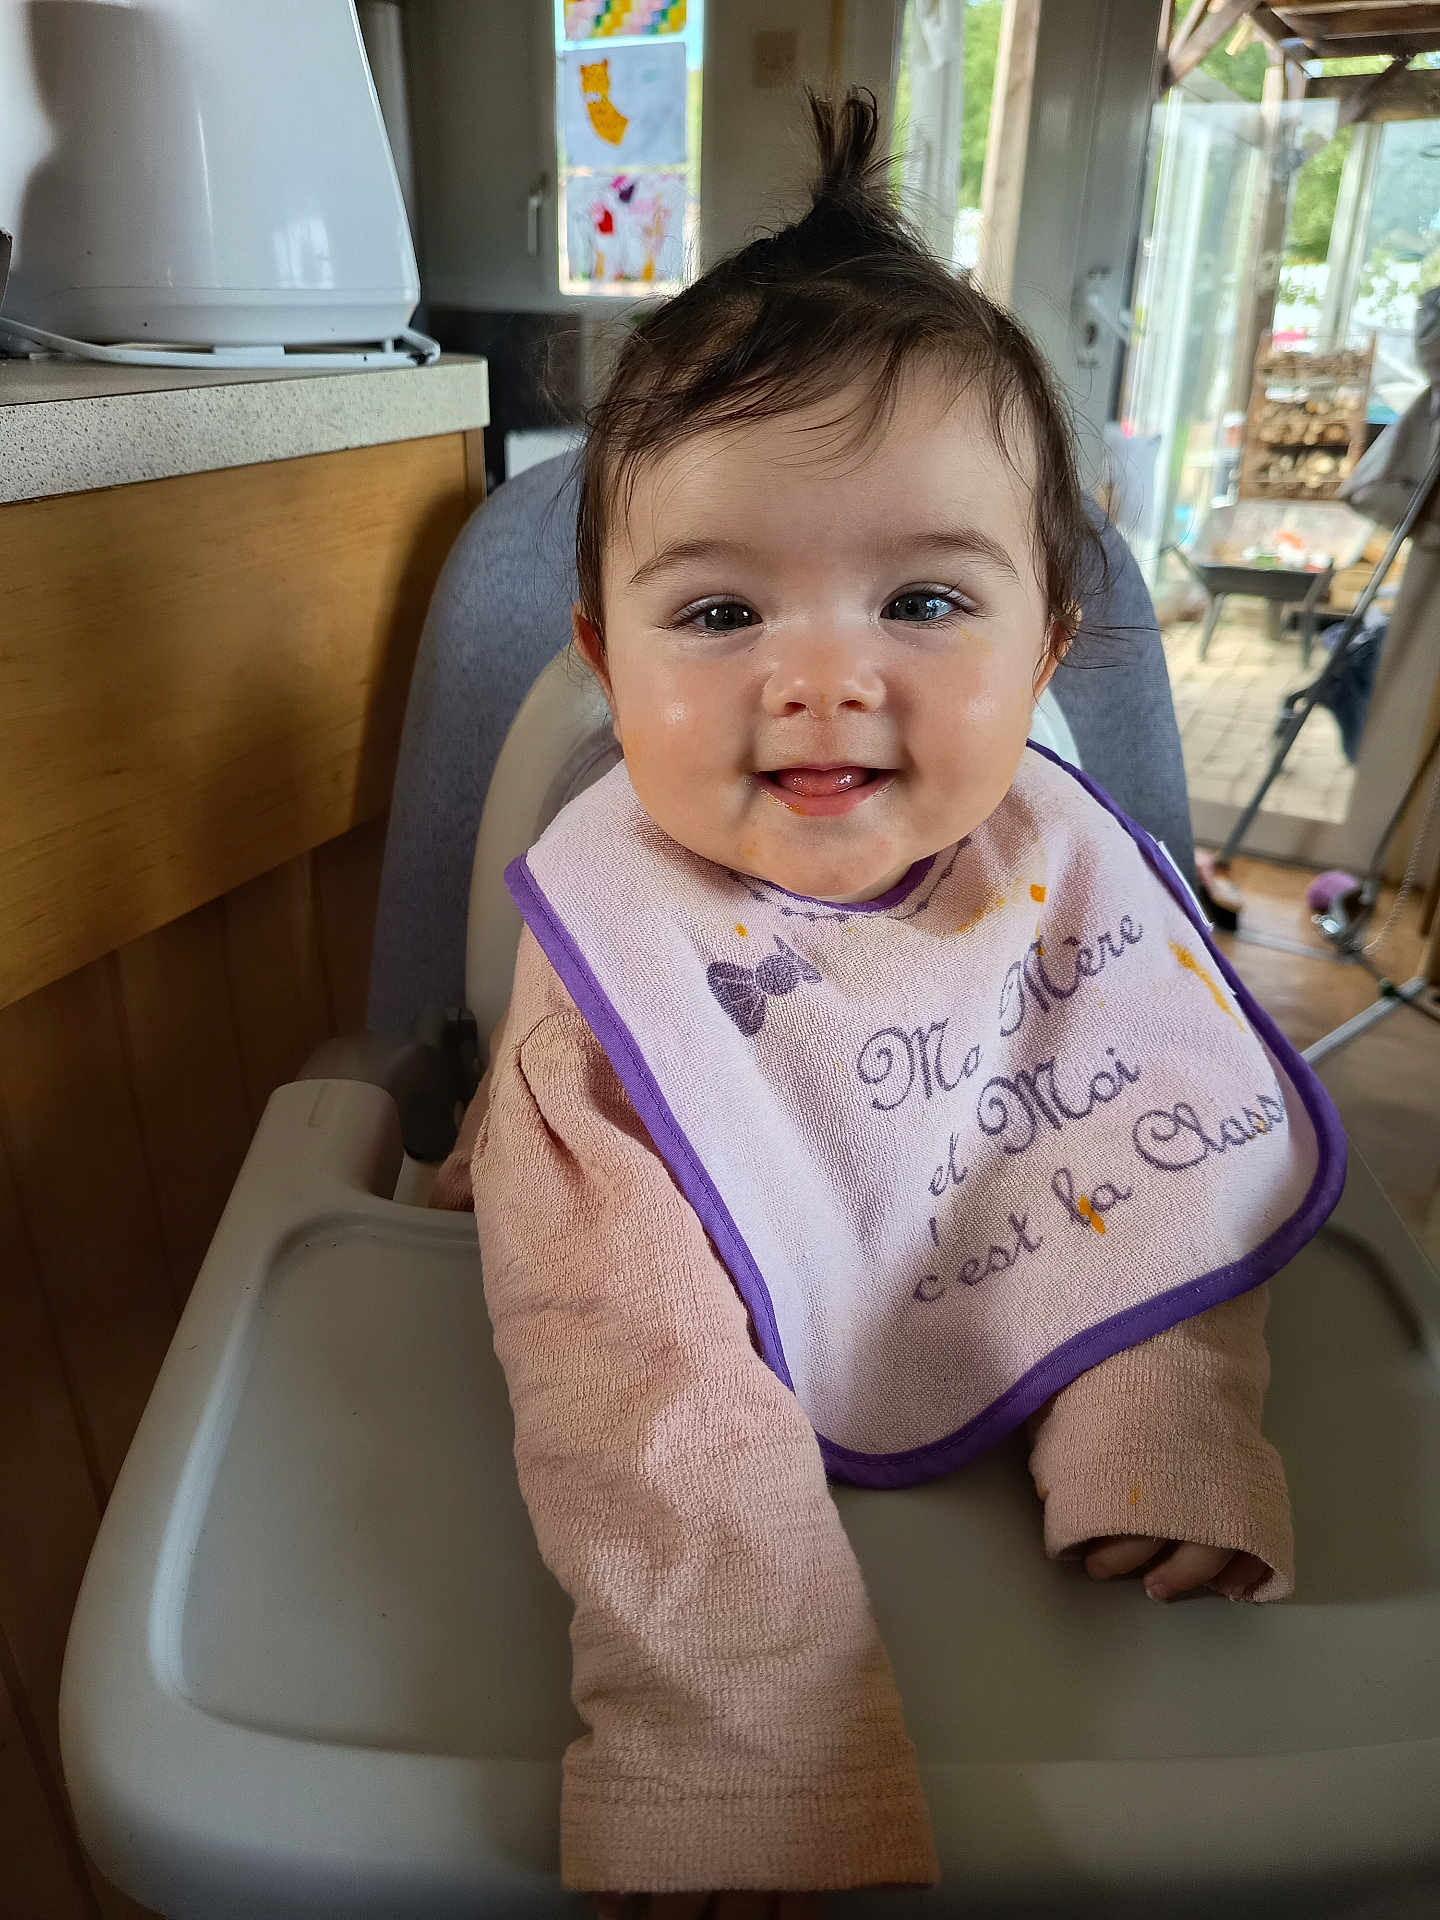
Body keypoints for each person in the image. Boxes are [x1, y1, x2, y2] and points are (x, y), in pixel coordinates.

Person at [432, 90, 1343, 1914]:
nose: (826, 681)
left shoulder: (1062, 891)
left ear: (1045, 645)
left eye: (925, 598)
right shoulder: (614, 976)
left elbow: (1155, 1159)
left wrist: (1154, 1405)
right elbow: (639, 1386)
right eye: (717, 618)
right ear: (604, 659)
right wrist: (737, 1759)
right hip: (672, 1303)